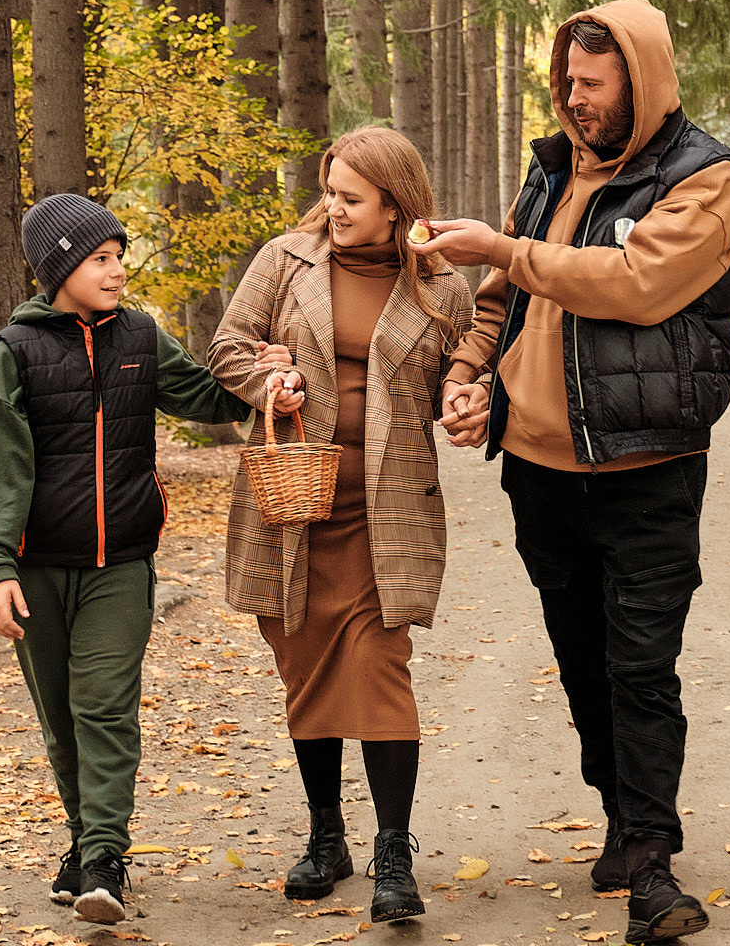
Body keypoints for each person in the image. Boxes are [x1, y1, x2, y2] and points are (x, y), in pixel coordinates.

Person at [421, 0, 730, 946]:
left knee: (642, 666)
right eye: (566, 82)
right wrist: (466, 375)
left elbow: (636, 284)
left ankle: (651, 857)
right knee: (581, 659)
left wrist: (505, 246)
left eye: (592, 85)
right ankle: (619, 814)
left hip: (647, 469)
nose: (573, 100)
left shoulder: (707, 177)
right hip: (537, 470)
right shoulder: (553, 171)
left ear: (640, 83)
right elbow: (500, 300)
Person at [0, 193, 287, 923]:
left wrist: (259, 379)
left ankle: (106, 856)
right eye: (101, 260)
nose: (116, 273)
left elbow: (205, 397)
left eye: (119, 259)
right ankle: (84, 846)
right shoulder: (15, 350)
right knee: (60, 721)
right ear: (60, 267)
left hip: (121, 566)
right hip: (38, 568)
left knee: (104, 708)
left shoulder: (140, 336)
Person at [209, 128, 478, 925]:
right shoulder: (285, 261)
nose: (333, 206)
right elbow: (227, 348)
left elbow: (467, 369)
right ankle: (327, 837)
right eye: (329, 190)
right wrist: (270, 379)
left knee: (380, 665)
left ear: (395, 206)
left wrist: (471, 397)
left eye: (351, 197)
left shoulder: (440, 283)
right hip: (293, 509)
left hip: (387, 510)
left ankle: (394, 849)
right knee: (309, 666)